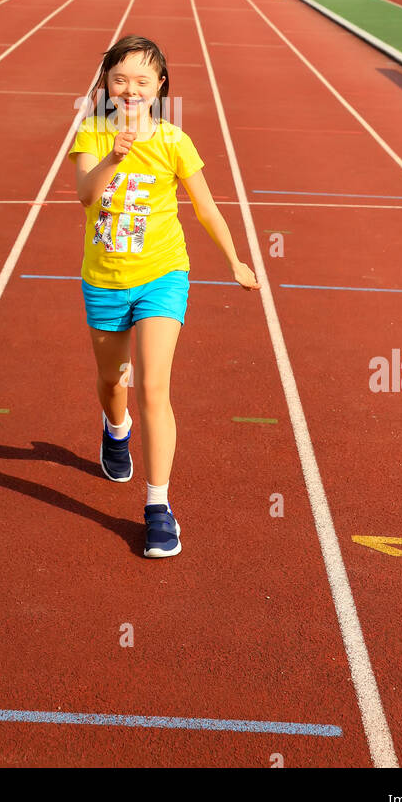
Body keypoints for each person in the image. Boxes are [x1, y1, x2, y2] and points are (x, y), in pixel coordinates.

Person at [68, 34, 259, 558]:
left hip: (164, 274)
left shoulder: (175, 140)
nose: (130, 89)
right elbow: (86, 196)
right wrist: (113, 156)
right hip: (105, 278)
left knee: (153, 384)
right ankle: (115, 428)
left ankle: (158, 508)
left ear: (160, 87)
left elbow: (205, 208)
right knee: (113, 381)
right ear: (107, 83)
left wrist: (235, 261)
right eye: (120, 79)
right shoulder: (91, 132)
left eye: (142, 81)